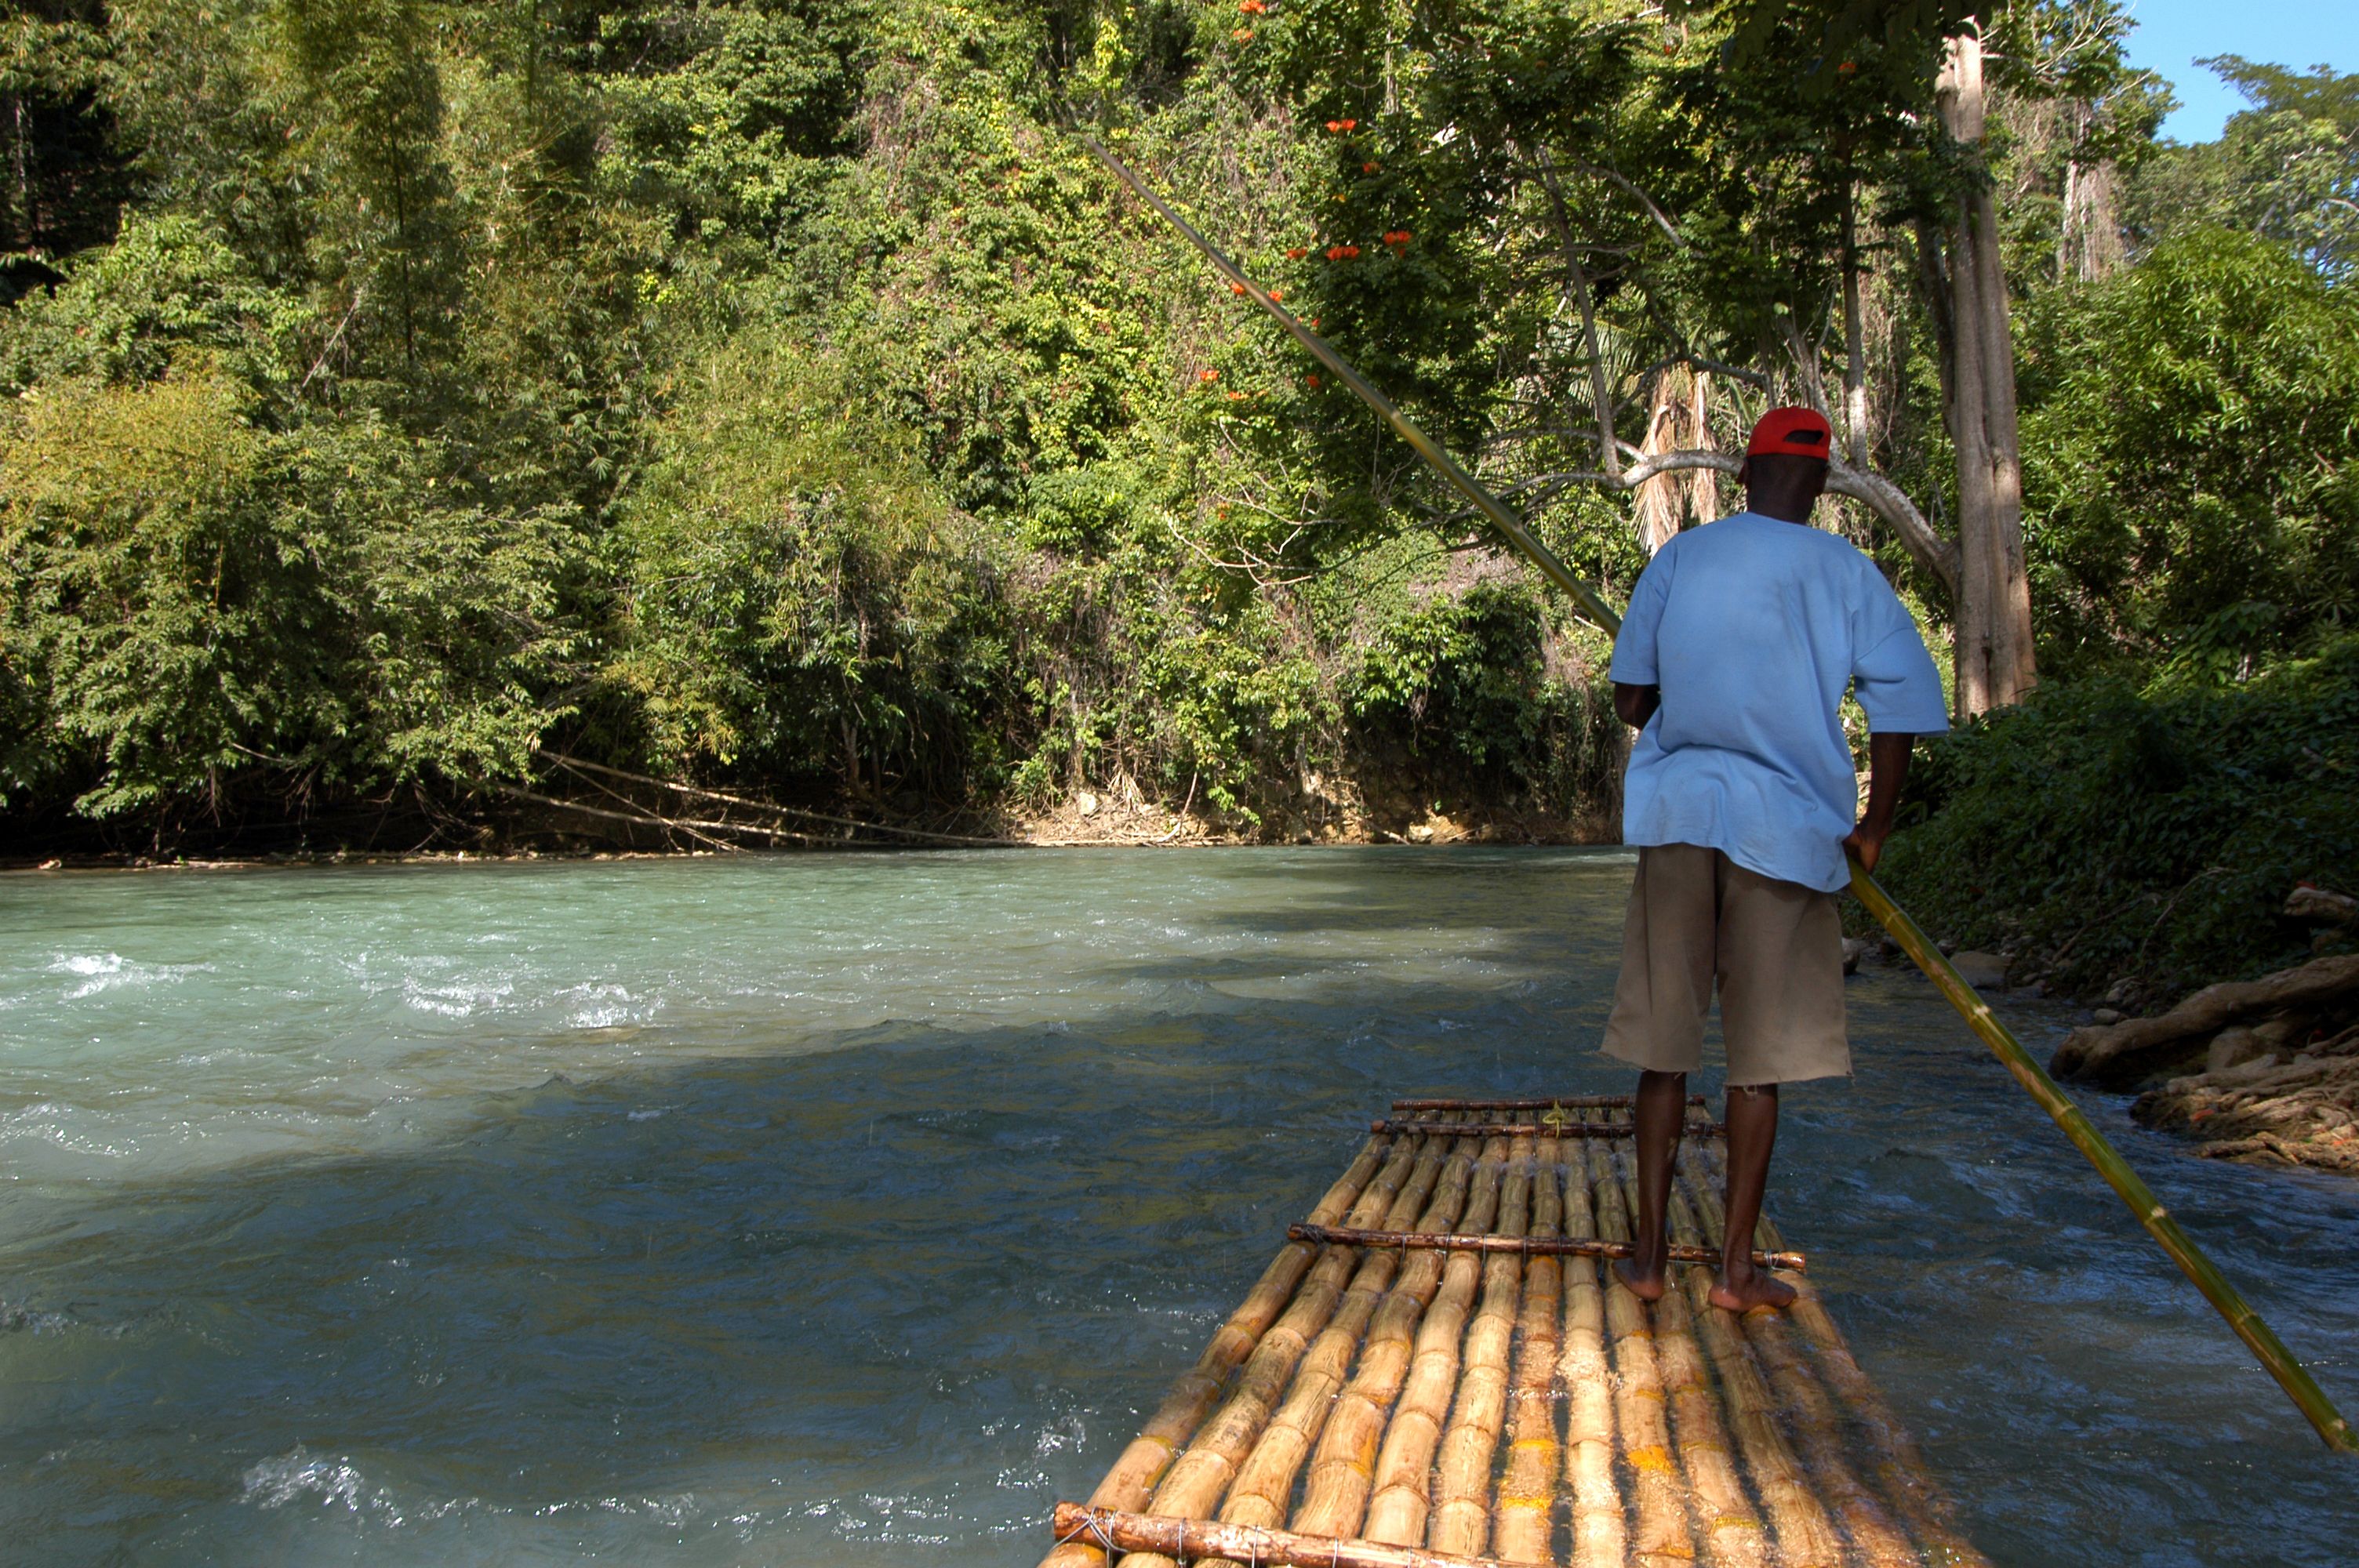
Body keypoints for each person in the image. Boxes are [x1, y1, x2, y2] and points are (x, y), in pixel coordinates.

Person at [1602, 405, 1949, 1312]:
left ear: (1747, 472)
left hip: (1680, 816)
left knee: (1661, 1053)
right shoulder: (1847, 574)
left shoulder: (1681, 557)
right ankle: (1734, 1273)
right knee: (1755, 1064)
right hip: (1787, 834)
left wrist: (1690, 695)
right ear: (1822, 483)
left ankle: (1644, 1260)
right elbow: (1903, 707)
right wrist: (1872, 827)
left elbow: (1631, 699)